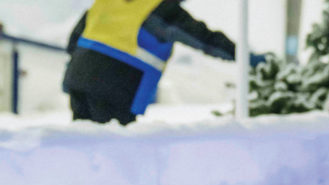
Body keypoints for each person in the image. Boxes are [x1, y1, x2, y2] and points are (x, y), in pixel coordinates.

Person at [62, 0, 250, 125]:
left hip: (78, 78)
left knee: (83, 142)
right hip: (116, 85)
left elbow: (74, 39)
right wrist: (245, 56)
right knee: (111, 148)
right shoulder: (161, 9)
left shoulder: (108, 2)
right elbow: (204, 39)